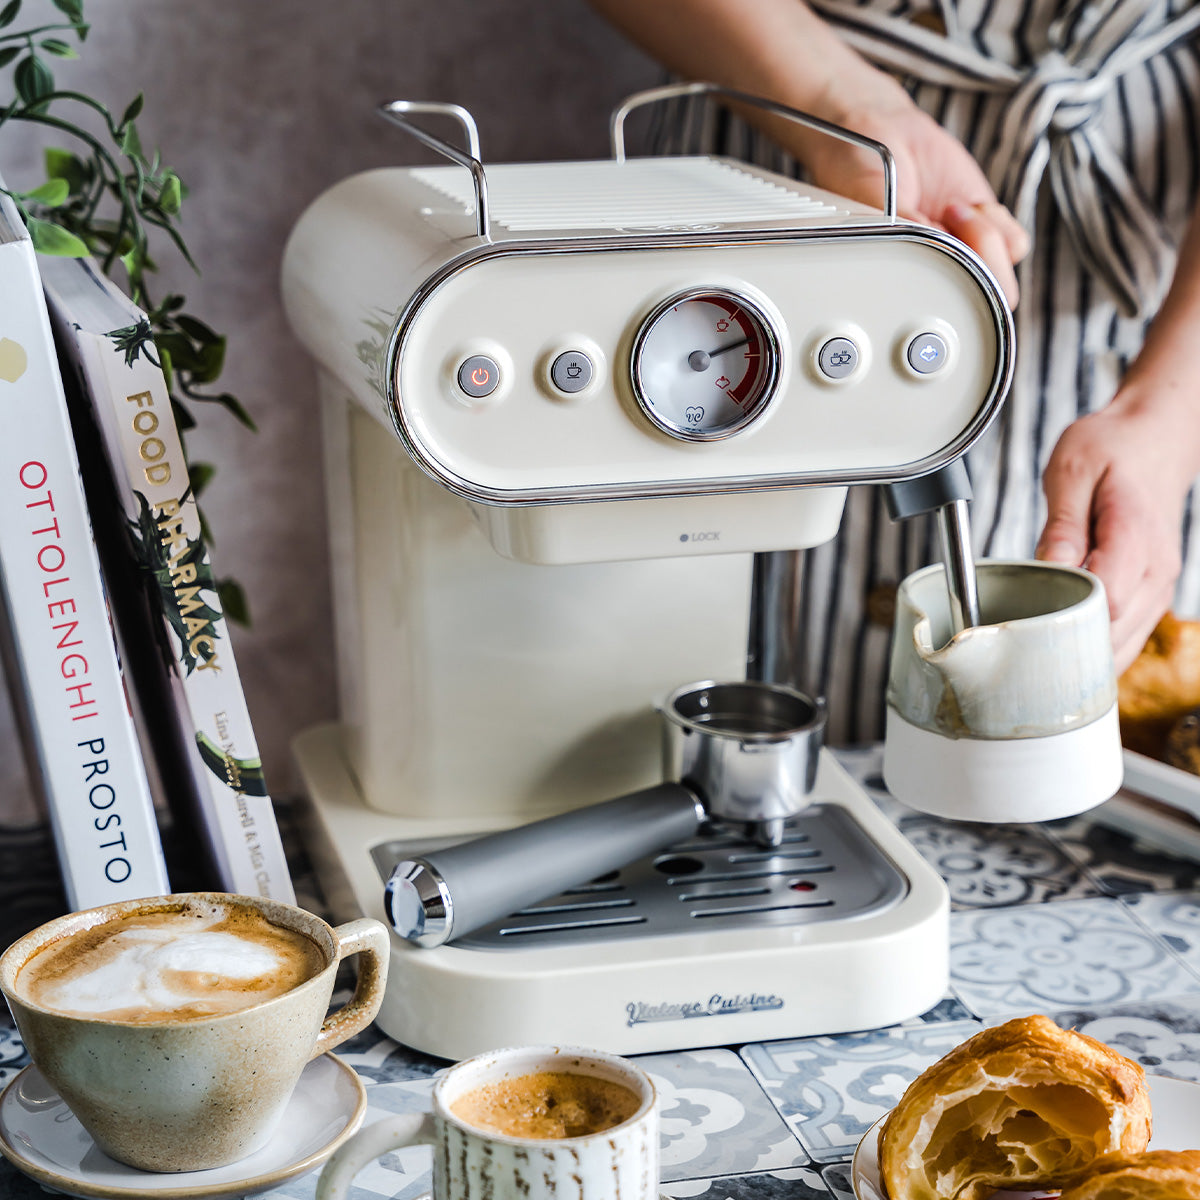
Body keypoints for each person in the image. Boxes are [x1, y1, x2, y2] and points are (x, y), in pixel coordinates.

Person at [590, 0, 1200, 742]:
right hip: (777, 129)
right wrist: (839, 101)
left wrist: (1166, 420)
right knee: (673, 681)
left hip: (1161, 275)